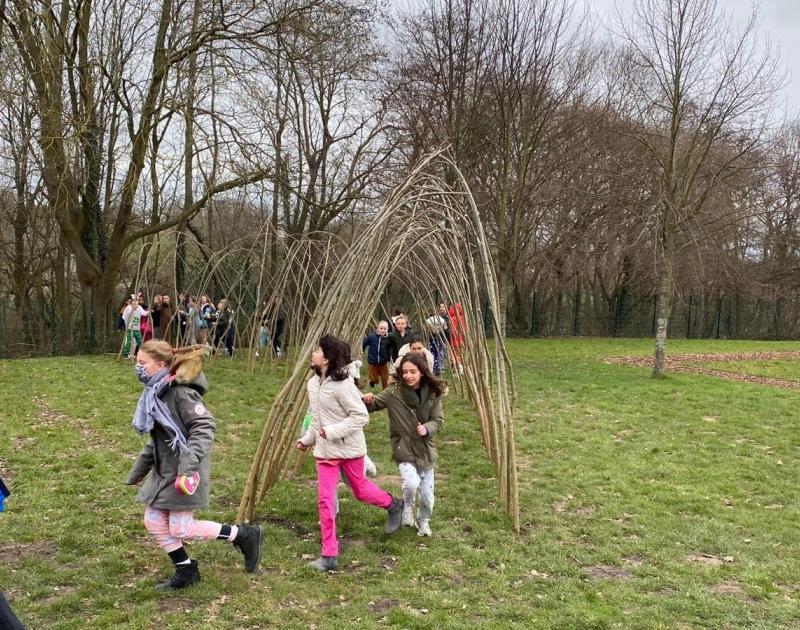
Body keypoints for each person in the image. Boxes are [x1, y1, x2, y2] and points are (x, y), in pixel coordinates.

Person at [126, 340, 263, 590]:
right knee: (154, 520)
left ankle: (243, 535)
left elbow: (204, 427)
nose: (137, 367)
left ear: (159, 365)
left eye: (142, 363)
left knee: (181, 527)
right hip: (164, 470)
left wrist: (187, 467)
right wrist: (139, 470)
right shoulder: (155, 394)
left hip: (184, 470)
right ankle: (186, 569)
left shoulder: (180, 392)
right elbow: (159, 439)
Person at [296, 335, 404, 572]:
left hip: (349, 448)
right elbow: (316, 418)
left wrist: (332, 431)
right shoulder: (313, 384)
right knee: (325, 500)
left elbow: (361, 417)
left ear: (325, 358)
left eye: (317, 350)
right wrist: (307, 439)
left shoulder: (343, 386)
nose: (313, 353)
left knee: (361, 490)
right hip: (325, 452)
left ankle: (393, 504)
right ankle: (329, 555)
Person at [363, 352, 445, 537]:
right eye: (405, 371)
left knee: (427, 498)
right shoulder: (394, 392)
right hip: (403, 446)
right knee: (411, 483)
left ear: (422, 372)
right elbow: (375, 404)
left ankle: (423, 520)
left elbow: (438, 420)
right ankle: (407, 505)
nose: (408, 375)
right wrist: (366, 400)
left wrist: (427, 428)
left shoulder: (433, 393)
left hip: (425, 449)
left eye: (412, 371)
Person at [362, 321, 390, 389]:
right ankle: (373, 381)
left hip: (383, 363)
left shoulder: (388, 339)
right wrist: (362, 350)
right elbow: (364, 343)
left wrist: (389, 357)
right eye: (381, 328)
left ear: (387, 329)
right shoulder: (372, 337)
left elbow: (391, 348)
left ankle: (385, 391)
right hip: (373, 362)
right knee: (373, 378)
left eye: (384, 329)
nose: (382, 330)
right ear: (377, 328)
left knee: (385, 379)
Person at [122, 294, 149, 358]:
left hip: (137, 328)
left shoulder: (139, 307)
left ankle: (143, 353)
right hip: (130, 328)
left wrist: (149, 311)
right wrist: (132, 310)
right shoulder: (128, 307)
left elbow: (144, 313)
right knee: (128, 341)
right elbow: (124, 316)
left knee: (139, 341)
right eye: (134, 300)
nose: (136, 302)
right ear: (131, 301)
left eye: (137, 300)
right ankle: (126, 354)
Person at [448, 304, 466, 374]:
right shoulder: (463, 318)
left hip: (455, 340)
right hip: (462, 340)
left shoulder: (453, 319)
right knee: (460, 354)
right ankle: (460, 366)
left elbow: (452, 330)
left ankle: (459, 367)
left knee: (454, 354)